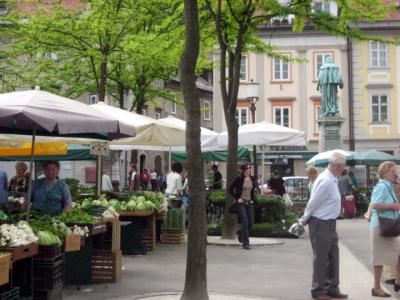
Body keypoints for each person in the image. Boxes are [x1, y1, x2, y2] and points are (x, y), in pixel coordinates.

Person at [299, 152, 348, 300]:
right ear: (338, 166)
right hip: (321, 222)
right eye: (344, 165)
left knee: (333, 256)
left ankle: (332, 287)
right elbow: (313, 202)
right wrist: (303, 219)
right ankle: (318, 290)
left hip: (329, 222)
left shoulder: (332, 179)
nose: (345, 167)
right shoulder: (326, 180)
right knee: (321, 257)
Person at [369, 161, 400, 297]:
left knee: (390, 255)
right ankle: (376, 287)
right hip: (381, 226)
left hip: (386, 225)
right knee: (379, 258)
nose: (396, 174)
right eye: (393, 171)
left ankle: (396, 282)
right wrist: (393, 206)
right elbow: (375, 205)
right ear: (385, 172)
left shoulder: (387, 186)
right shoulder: (382, 186)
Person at [229, 165, 257, 250]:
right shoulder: (239, 178)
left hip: (249, 202)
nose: (249, 170)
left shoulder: (252, 178)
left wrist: (252, 199)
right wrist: (237, 199)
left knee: (251, 222)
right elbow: (230, 189)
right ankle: (246, 244)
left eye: (249, 169)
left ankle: (241, 233)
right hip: (241, 203)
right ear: (244, 171)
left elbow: (252, 190)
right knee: (245, 221)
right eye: (248, 169)